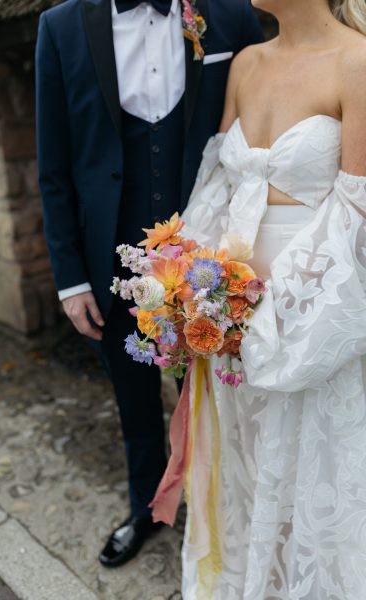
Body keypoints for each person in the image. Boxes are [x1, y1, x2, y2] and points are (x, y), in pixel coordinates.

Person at [35, 0, 263, 567]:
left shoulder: (229, 14)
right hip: (108, 258)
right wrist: (70, 280)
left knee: (232, 394)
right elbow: (54, 164)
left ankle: (237, 510)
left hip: (216, 257)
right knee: (133, 398)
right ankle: (145, 509)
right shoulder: (60, 27)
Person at [177, 0, 366, 597]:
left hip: (310, 317)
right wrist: (191, 287)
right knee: (249, 466)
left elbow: (358, 209)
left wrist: (274, 311)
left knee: (311, 470)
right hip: (228, 318)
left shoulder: (357, 62)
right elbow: (216, 184)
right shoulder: (246, 63)